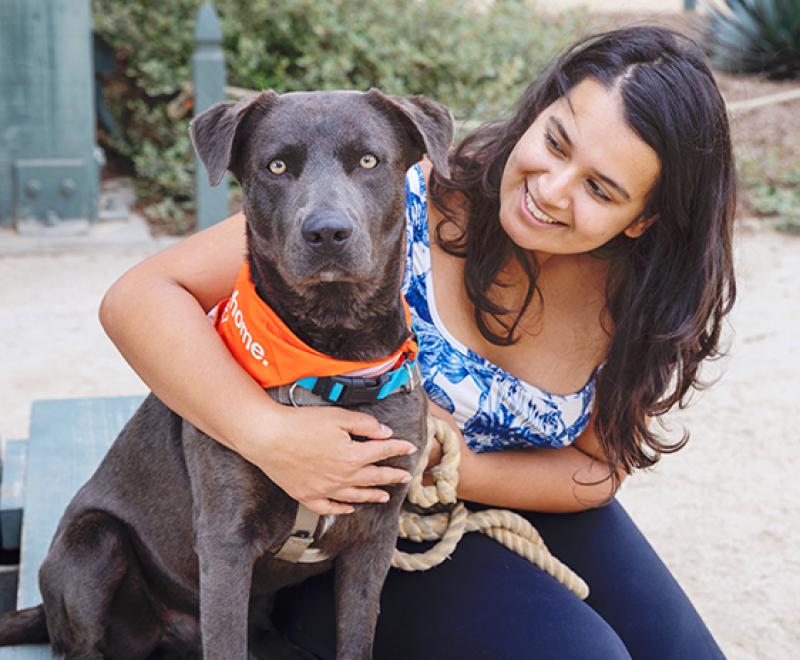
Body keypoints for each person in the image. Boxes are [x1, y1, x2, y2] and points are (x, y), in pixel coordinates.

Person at [100, 26, 733, 659]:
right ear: (536, 111)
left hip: (492, 497)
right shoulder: (386, 196)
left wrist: (445, 465)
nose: (552, 189)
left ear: (644, 217)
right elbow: (139, 298)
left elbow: (595, 471)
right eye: (555, 142)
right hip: (335, 534)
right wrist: (265, 433)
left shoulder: (639, 296)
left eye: (600, 189)